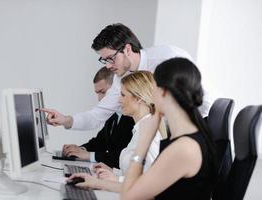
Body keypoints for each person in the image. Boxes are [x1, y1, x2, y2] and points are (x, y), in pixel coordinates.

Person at [43, 23, 214, 132]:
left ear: (126, 49)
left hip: (201, 129)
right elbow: (98, 115)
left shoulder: (167, 58)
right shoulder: (122, 78)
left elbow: (199, 104)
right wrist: (65, 120)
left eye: (110, 58)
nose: (108, 65)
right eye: (104, 60)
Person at [121, 58, 218, 200]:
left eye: (154, 88)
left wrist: (144, 141)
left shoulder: (184, 148)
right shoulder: (185, 138)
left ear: (164, 92)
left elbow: (128, 197)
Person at [67, 71, 167, 193]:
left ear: (138, 98)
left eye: (123, 95)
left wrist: (116, 179)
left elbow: (152, 185)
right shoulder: (139, 130)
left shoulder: (148, 135)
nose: (119, 100)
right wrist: (112, 171)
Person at [62, 67, 135, 168]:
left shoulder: (133, 117)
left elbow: (122, 157)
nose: (100, 99)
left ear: (116, 88)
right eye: (98, 93)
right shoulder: (113, 114)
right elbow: (101, 141)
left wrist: (89, 155)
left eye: (103, 92)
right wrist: (80, 150)